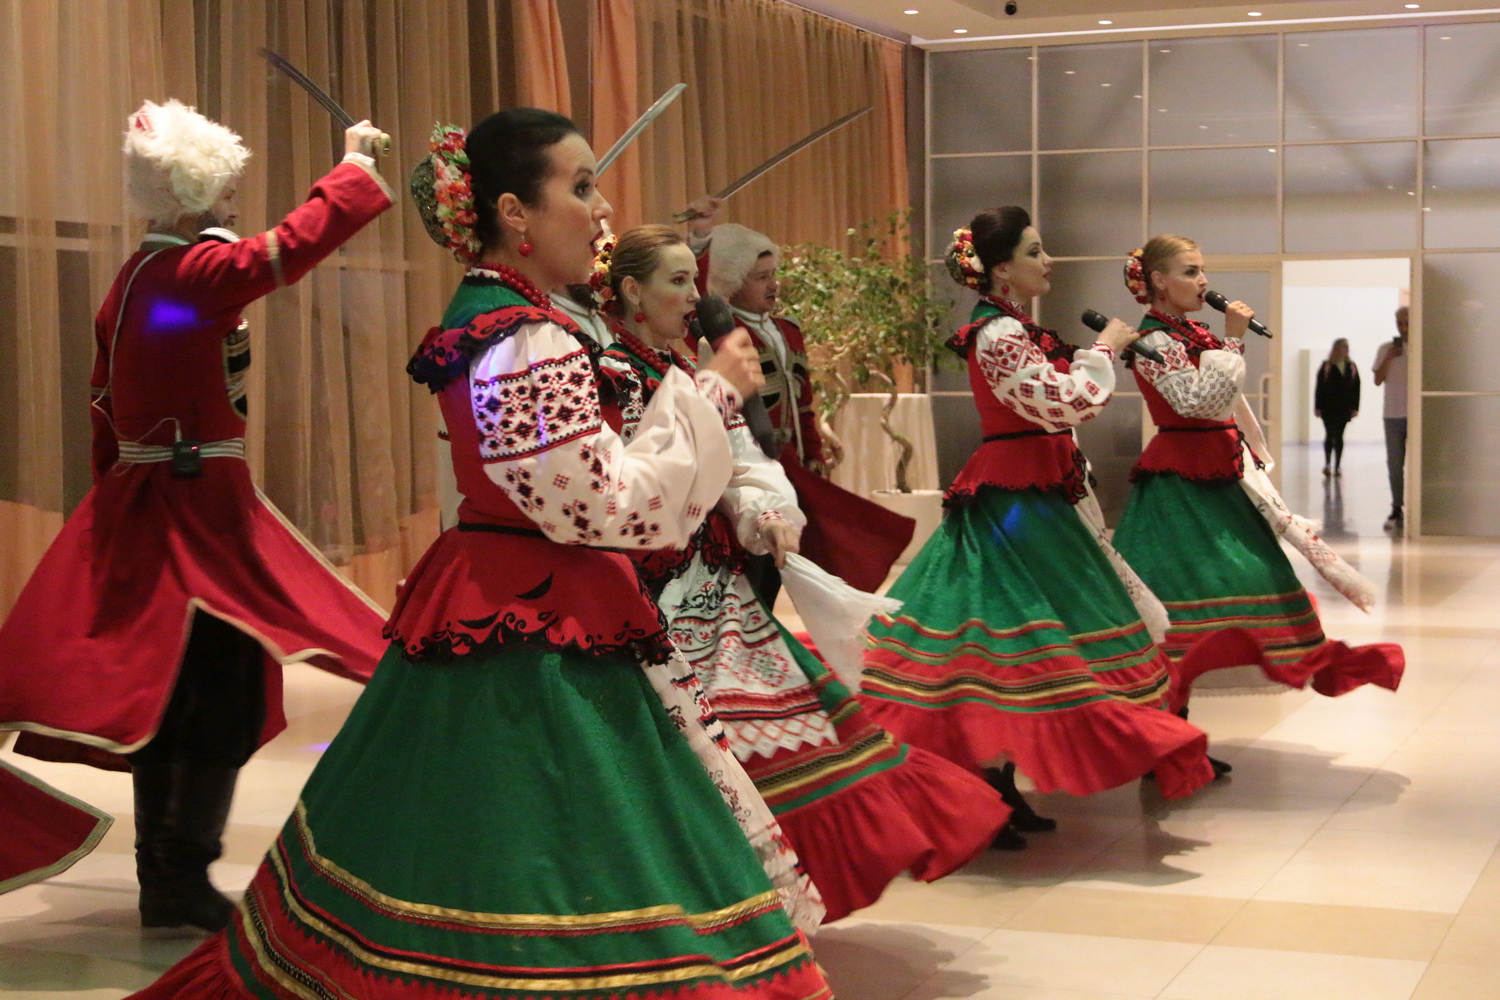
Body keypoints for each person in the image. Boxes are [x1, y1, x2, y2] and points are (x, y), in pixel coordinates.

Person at [124, 108, 833, 1000]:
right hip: (537, 620)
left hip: (527, 598)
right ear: (514, 213)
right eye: (581, 186)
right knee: (548, 859)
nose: (602, 208)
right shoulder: (521, 334)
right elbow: (600, 506)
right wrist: (710, 399)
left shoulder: (517, 319)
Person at [0, 100, 394, 929]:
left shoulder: (143, 285)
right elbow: (285, 250)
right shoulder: (185, 278)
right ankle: (178, 876)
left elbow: (110, 399)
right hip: (193, 522)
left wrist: (115, 498)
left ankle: (168, 875)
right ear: (192, 192)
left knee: (171, 696)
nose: (232, 205)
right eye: (223, 192)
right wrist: (354, 167)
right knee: (216, 697)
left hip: (148, 510)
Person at [595, 224, 1008, 920]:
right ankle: (708, 904)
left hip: (714, 582)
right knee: (698, 752)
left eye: (695, 281)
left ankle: (758, 900)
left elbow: (737, 454)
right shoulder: (613, 372)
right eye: (677, 281)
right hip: (654, 589)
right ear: (632, 291)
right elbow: (638, 478)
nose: (693, 296)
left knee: (774, 733)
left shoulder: (683, 368)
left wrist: (764, 509)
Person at [860, 207, 1216, 846]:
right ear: (1001, 269)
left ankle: (997, 780)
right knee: (1012, 640)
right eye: (1033, 251)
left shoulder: (1013, 327)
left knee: (1029, 640)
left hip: (1038, 493)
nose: (1047, 261)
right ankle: (984, 784)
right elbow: (1063, 402)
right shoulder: (997, 333)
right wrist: (1102, 352)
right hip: (1014, 503)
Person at [1111, 235, 1403, 718]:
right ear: (1158, 280)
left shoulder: (1187, 332)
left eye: (1202, 270)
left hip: (1219, 470)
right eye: (1190, 271)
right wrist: (1232, 340)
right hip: (1180, 479)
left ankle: (1177, 718)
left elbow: (1220, 403)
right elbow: (1197, 402)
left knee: (1239, 578)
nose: (1203, 280)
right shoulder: (1153, 340)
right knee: (1182, 588)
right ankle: (1168, 719)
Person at [683, 201, 914, 599]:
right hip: (746, 464)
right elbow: (703, 291)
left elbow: (804, 402)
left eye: (774, 275)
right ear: (733, 279)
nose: (773, 285)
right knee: (753, 562)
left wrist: (815, 454)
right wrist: (702, 237)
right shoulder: (720, 328)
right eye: (761, 277)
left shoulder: (788, 330)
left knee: (799, 555)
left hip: (792, 462)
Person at [1373, 306, 1409, 529]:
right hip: (1393, 414)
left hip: (1417, 414)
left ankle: (1423, 506)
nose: (1403, 328)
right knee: (1395, 464)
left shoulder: (1422, 348)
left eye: (1407, 323)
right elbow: (1378, 380)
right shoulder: (1385, 349)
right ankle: (1397, 507)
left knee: (1422, 462)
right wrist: (1388, 358)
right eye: (1399, 323)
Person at [1314, 337, 1360, 477]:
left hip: (1344, 408)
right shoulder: (1326, 366)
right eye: (1342, 347)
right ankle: (1327, 463)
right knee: (1329, 434)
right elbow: (1319, 387)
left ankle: (1338, 465)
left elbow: (1356, 388)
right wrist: (1317, 406)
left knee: (1339, 436)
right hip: (1328, 407)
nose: (1345, 350)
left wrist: (1355, 407)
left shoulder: (1351, 366)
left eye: (1346, 347)